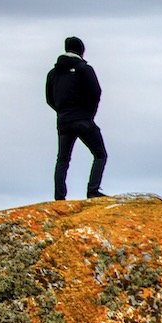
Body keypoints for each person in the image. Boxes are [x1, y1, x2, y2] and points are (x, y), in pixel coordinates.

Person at [45, 36, 108, 200]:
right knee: (100, 154)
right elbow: (96, 92)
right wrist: (88, 114)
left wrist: (61, 111)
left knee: (63, 159)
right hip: (83, 119)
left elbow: (49, 99)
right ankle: (93, 190)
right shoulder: (84, 69)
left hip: (64, 121)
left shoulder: (53, 73)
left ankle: (59, 197)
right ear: (81, 50)